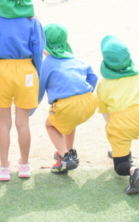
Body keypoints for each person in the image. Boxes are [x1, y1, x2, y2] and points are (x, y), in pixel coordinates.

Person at [0, 0, 45, 181]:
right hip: (26, 69)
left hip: (1, 70)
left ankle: (4, 167)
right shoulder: (32, 21)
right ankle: (24, 165)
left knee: (4, 123)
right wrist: (37, 76)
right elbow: (38, 53)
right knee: (23, 123)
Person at [37, 24, 98, 173]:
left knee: (50, 125)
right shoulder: (75, 59)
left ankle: (65, 157)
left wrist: (30, 108)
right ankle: (70, 151)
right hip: (89, 101)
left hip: (67, 104)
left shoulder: (47, 63)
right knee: (69, 122)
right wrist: (84, 94)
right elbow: (93, 77)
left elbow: (40, 89)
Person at [97, 35, 139, 194]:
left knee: (120, 166)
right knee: (125, 137)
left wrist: (116, 123)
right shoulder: (137, 75)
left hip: (119, 123)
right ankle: (122, 152)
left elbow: (105, 113)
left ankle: (135, 171)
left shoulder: (103, 84)